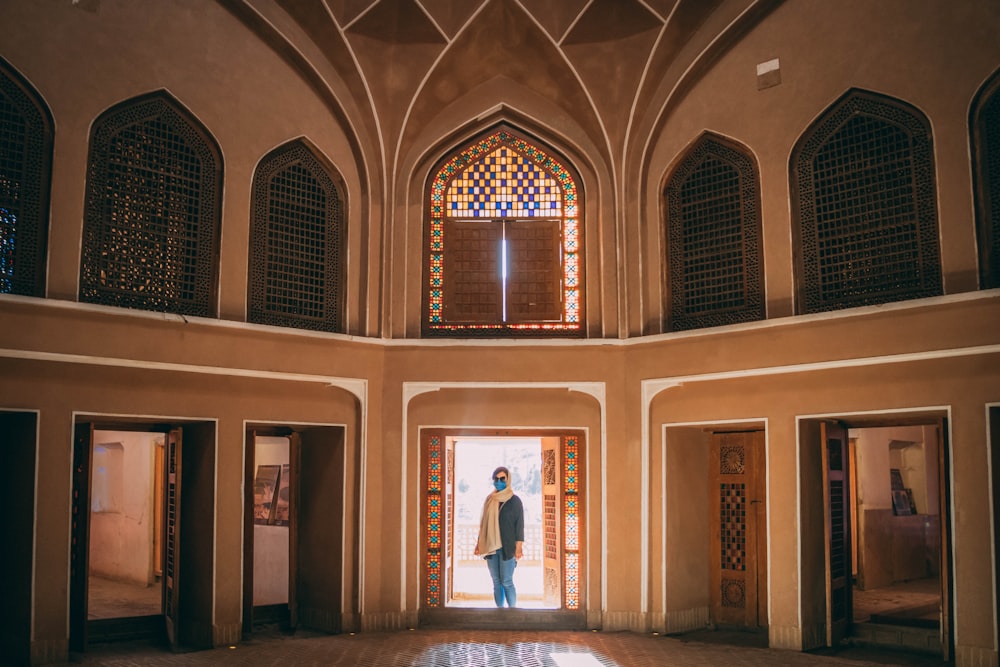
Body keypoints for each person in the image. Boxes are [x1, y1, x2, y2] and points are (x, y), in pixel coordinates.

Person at [473, 465, 524, 608]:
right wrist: (478, 544)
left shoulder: (514, 501)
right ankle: (500, 613)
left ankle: (512, 613)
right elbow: (484, 525)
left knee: (507, 581)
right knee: (496, 581)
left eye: (502, 478)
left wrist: (518, 547)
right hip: (490, 546)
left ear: (508, 480)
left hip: (507, 547)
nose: (499, 481)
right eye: (496, 479)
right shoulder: (490, 500)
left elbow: (519, 526)